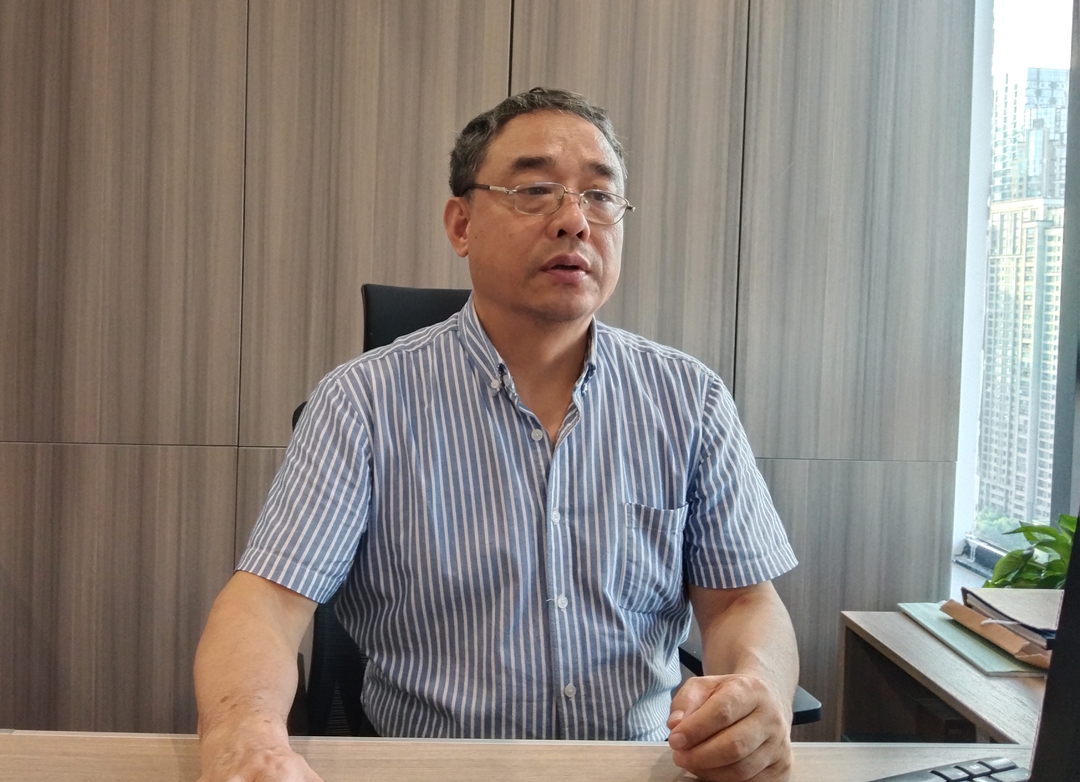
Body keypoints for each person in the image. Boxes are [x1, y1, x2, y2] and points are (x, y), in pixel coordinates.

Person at [194, 87, 799, 782]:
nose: (574, 221)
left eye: (600, 197)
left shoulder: (689, 400)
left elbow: (742, 602)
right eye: (535, 191)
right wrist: (246, 735)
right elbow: (267, 602)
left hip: (639, 767)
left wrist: (757, 689)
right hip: (431, 770)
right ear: (461, 225)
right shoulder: (363, 402)